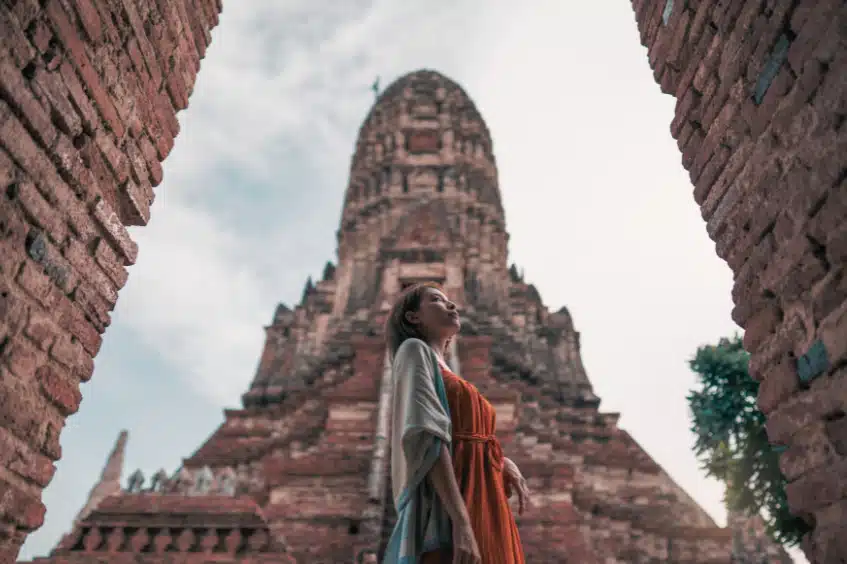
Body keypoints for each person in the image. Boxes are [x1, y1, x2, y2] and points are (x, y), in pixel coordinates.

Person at [383, 283, 530, 564]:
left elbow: (461, 430)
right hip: (456, 502)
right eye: (438, 300)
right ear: (413, 317)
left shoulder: (448, 371)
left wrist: (502, 460)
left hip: (485, 492)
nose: (452, 305)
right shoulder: (414, 350)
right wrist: (462, 525)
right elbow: (427, 437)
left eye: (451, 300)